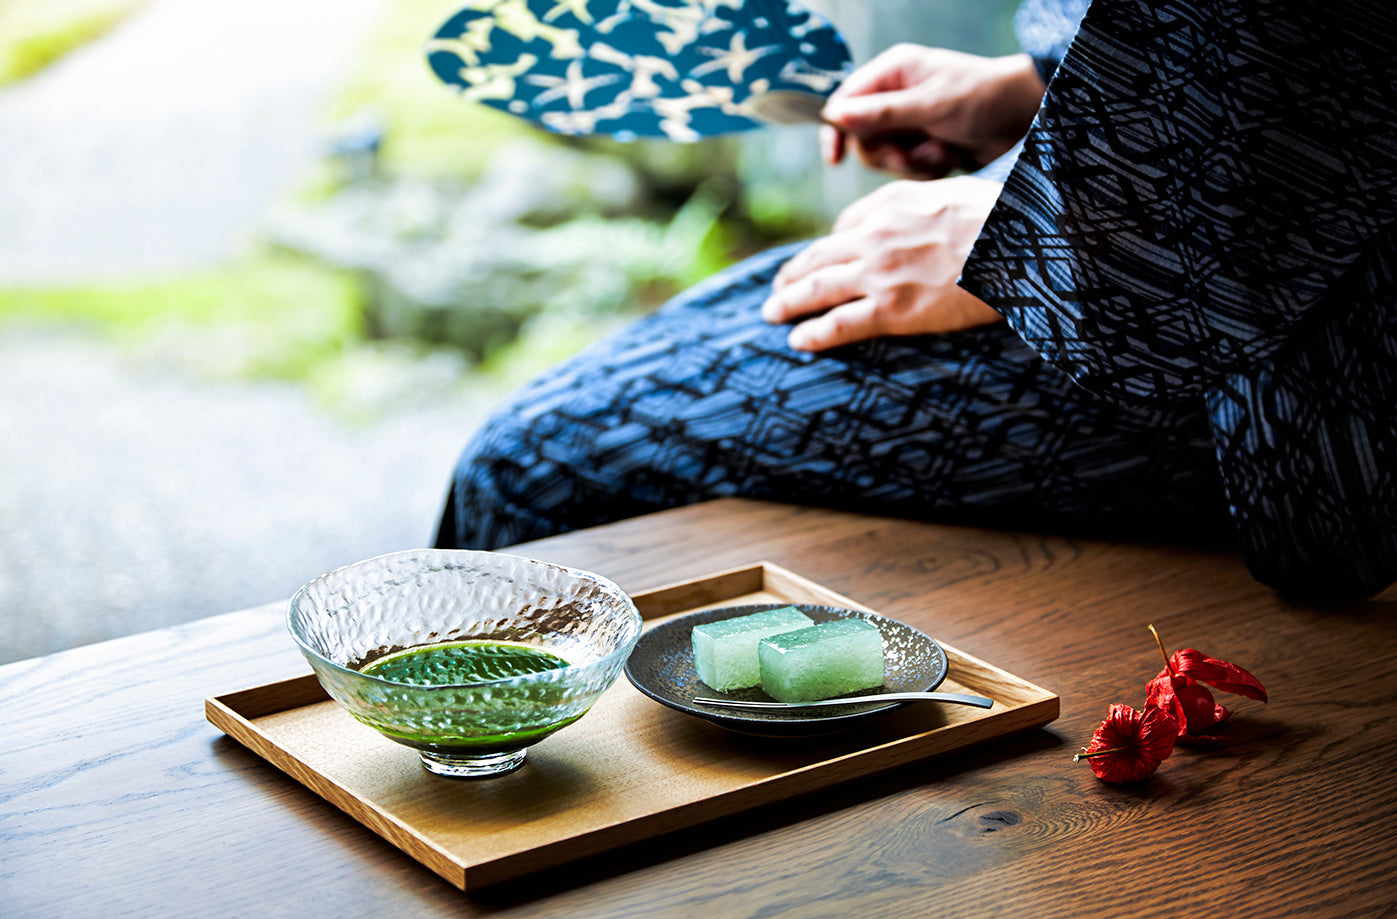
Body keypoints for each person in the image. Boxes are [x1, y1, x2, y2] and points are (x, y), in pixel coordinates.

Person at [436, 0, 1396, 600]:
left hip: (1294, 313)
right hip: (1166, 193)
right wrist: (1037, 86)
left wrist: (1038, 229)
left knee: (542, 469)